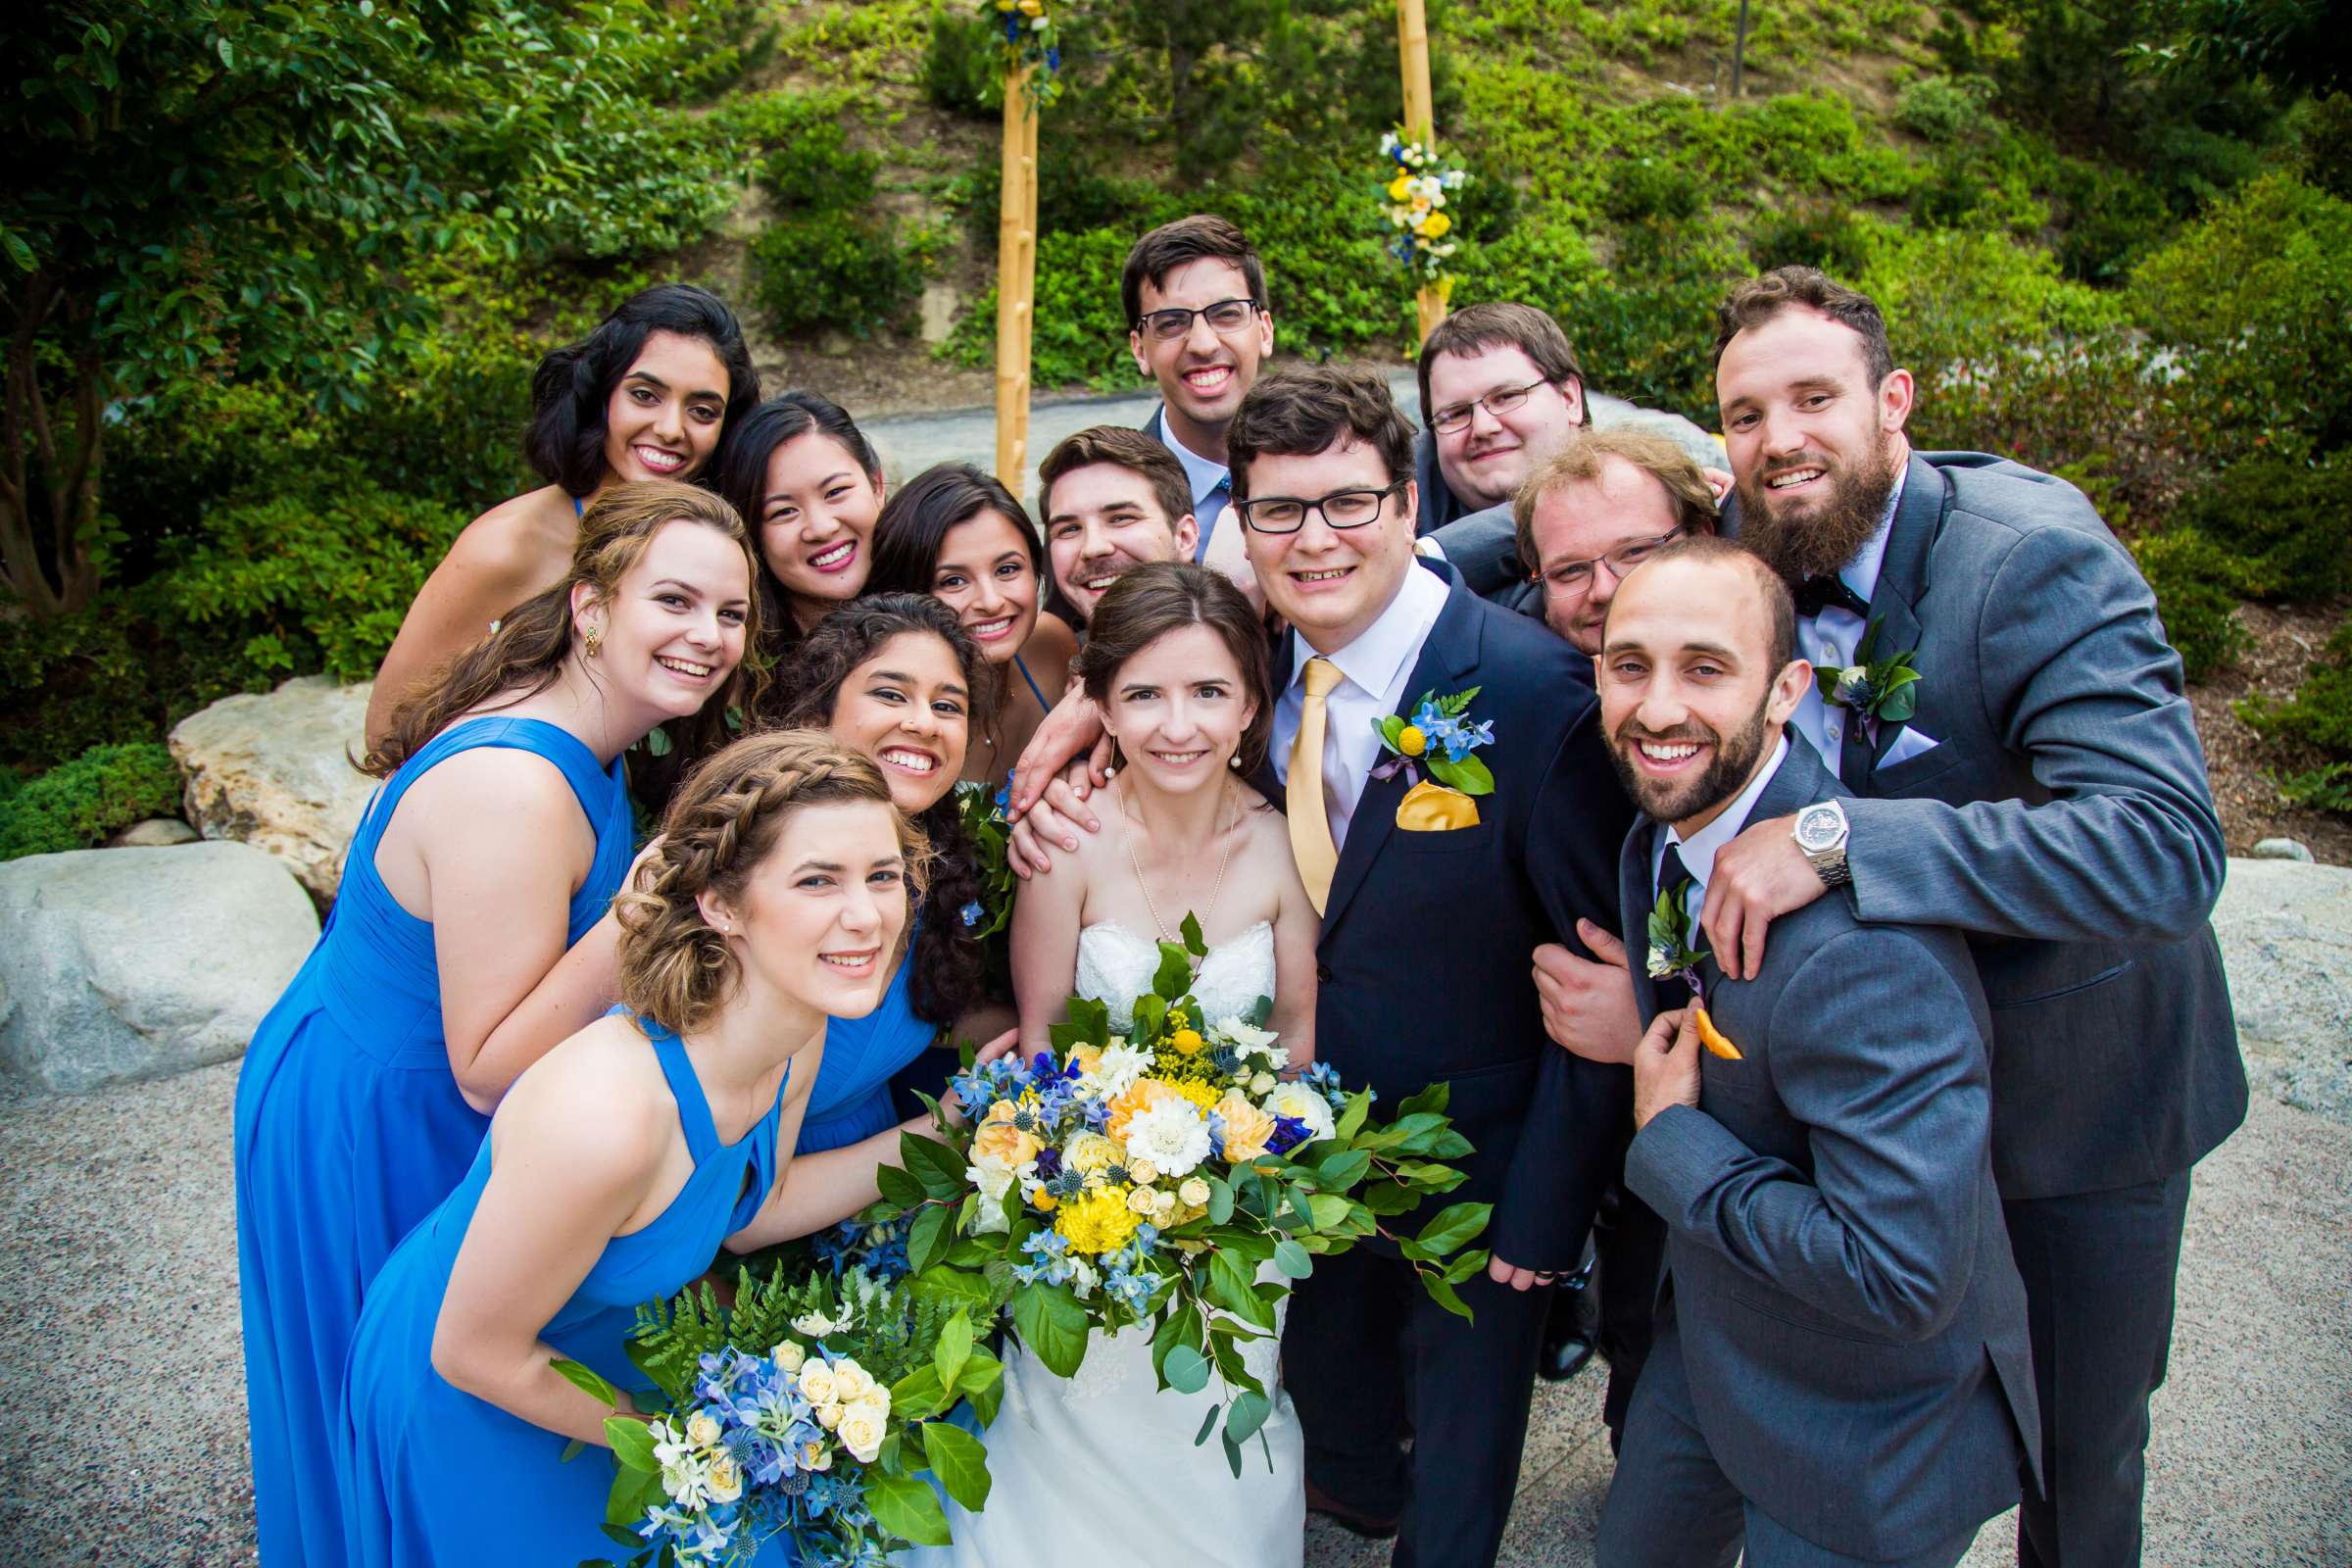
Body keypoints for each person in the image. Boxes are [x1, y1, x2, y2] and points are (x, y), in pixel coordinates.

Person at [999, 367, 1633, 1564]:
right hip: (1284, 1165)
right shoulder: (1263, 664)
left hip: (1477, 1173)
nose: (1316, 537)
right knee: (1330, 1443)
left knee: (1456, 1484)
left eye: (1349, 503)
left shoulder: (1534, 693)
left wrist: (1550, 1214)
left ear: (1407, 505)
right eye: (1280, 511)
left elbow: (1596, 977)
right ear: (1241, 522)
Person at [1700, 266, 2246, 1568]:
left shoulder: (2033, 562)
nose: (1780, 441)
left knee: (2076, 1444)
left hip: (2076, 1104)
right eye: (1743, 414)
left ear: (1895, 401)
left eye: (1815, 399)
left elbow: (2164, 846)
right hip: (1865, 1094)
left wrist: (1838, 837)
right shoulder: (1745, 521)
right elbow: (1567, 513)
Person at [238, 480, 760, 1565]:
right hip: (382, 1106)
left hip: (430, 1081)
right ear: (590, 607)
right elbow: (484, 1066)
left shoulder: (601, 730)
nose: (707, 637)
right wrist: (645, 907)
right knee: (415, 1411)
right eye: (675, 600)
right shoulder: (513, 786)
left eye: (730, 612)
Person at [338, 733, 935, 1565]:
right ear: (721, 905)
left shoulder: (796, 1036)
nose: (867, 915)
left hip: (612, 1350)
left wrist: (944, 1138)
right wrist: (707, 1451)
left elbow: (753, 1215)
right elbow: (472, 1349)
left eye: (882, 875)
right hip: (480, 1394)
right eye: (816, 881)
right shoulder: (606, 1115)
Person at [1584, 536, 2037, 1568]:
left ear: (1787, 688)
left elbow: (1901, 1275)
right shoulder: (1662, 829)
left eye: (1705, 668)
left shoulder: (1866, 958)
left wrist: (1672, 1138)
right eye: (1629, 665)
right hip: (1708, 1351)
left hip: (1856, 1421)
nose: (1657, 709)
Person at [911, 561, 1319, 1568]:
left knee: (1223, 1443)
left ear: (1250, 707)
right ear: (1104, 705)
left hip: (1238, 1219)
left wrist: (1244, 1174)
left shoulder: (1282, 847)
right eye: (1143, 694)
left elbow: (1301, 1040)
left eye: (1207, 692)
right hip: (1086, 1217)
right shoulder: (1072, 844)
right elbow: (1044, 1039)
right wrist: (1096, 1178)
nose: (1177, 724)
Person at [1507, 427, 1721, 1408]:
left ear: (1706, 531)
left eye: (1637, 552)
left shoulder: (1765, 685)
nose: (1603, 588)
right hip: (1624, 1168)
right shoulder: (1546, 674)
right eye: (1569, 570)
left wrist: (1647, 1027)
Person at [368, 284, 760, 749]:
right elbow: (389, 731)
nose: (671, 429)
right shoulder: (508, 546)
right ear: (602, 396)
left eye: (701, 411)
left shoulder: (721, 547)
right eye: (644, 395)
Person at [771, 594, 1016, 1155]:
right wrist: (944, 1124)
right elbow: (750, 1215)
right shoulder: (751, 873)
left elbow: (927, 1022)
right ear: (815, 715)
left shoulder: (928, 875)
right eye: (890, 694)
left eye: (948, 706)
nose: (923, 723)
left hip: (875, 1188)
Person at [868, 463, 1079, 786]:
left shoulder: (1051, 645)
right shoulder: (880, 701)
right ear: (904, 591)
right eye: (953, 581)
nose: (991, 601)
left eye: (1007, 569)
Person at [1123, 215, 1273, 598]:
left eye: (1226, 314)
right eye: (1171, 323)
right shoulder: (1108, 498)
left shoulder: (1329, 461)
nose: (1203, 344)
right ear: (1140, 349)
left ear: (1265, 330)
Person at [712, 390, 889, 649]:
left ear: (877, 485)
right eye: (783, 511)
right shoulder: (730, 655)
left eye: (835, 492)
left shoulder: (941, 603)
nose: (821, 528)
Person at [1038, 424, 1200, 627]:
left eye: (1120, 519)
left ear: (1185, 538)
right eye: (1069, 529)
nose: (1093, 548)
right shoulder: (1048, 655)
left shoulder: (1240, 654)